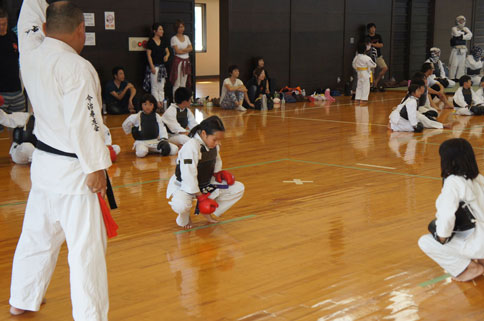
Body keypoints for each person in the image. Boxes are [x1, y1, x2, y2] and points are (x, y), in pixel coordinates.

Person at [12, 1, 112, 319]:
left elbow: (28, 19)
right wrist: (96, 167)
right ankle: (90, 315)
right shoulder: (75, 66)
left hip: (44, 170)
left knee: (37, 239)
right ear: (81, 30)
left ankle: (22, 298)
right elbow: (86, 122)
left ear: (44, 28)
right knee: (86, 253)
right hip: (75, 174)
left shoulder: (30, 53)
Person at [419, 138, 484, 282]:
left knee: (426, 241)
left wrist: (441, 237)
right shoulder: (479, 178)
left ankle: (471, 269)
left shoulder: (453, 182)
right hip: (481, 239)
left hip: (479, 242)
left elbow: (447, 217)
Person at [166, 115, 245, 229]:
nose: (217, 143)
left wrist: (218, 173)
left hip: (205, 182)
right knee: (181, 205)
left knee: (238, 188)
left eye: (219, 140)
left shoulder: (213, 145)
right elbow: (188, 175)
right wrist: (201, 198)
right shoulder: (191, 147)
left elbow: (216, 161)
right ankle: (184, 217)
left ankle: (208, 211)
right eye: (215, 139)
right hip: (184, 185)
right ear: (204, 134)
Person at [122, 93, 178, 157]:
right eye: (145, 104)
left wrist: (163, 140)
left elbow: (162, 128)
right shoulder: (136, 117)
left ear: (154, 105)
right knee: (141, 153)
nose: (147, 107)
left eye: (150, 104)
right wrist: (130, 131)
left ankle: (152, 150)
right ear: (141, 105)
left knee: (174, 149)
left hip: (155, 141)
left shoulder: (157, 116)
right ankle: (147, 150)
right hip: (142, 142)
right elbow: (125, 124)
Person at [0, 8, 26, 112]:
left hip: (16, 90)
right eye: (0, 24)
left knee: (22, 124)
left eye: (4, 24)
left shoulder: (13, 36)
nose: (2, 27)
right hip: (1, 92)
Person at [145, 23, 169, 110]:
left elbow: (168, 51)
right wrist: (152, 67)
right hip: (154, 66)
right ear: (155, 31)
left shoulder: (163, 41)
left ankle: (162, 103)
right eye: (160, 29)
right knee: (154, 86)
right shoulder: (150, 42)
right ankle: (156, 104)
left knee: (161, 86)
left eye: (162, 29)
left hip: (162, 67)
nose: (162, 31)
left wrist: (167, 56)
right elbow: (148, 55)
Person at [170, 20, 192, 95]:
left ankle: (182, 99)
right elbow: (177, 51)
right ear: (176, 28)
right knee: (177, 82)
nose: (182, 28)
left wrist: (182, 50)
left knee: (183, 82)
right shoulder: (174, 38)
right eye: (180, 27)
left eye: (183, 26)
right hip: (178, 61)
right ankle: (175, 100)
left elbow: (191, 48)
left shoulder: (186, 37)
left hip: (186, 61)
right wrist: (186, 50)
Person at [449, 15, 472, 80]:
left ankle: (459, 78)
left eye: (463, 21)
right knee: (454, 64)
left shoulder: (466, 28)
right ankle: (452, 78)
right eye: (460, 21)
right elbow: (456, 34)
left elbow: (470, 35)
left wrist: (462, 36)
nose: (461, 22)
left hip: (463, 49)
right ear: (457, 21)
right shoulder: (454, 28)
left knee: (461, 65)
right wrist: (464, 34)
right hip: (456, 49)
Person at [367, 23, 388, 92]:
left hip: (378, 56)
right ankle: (372, 85)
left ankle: (376, 81)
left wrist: (373, 44)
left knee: (385, 68)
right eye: (371, 28)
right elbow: (366, 46)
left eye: (374, 28)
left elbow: (381, 45)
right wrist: (376, 44)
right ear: (368, 29)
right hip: (370, 57)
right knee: (371, 72)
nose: (373, 29)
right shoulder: (366, 37)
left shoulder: (378, 36)